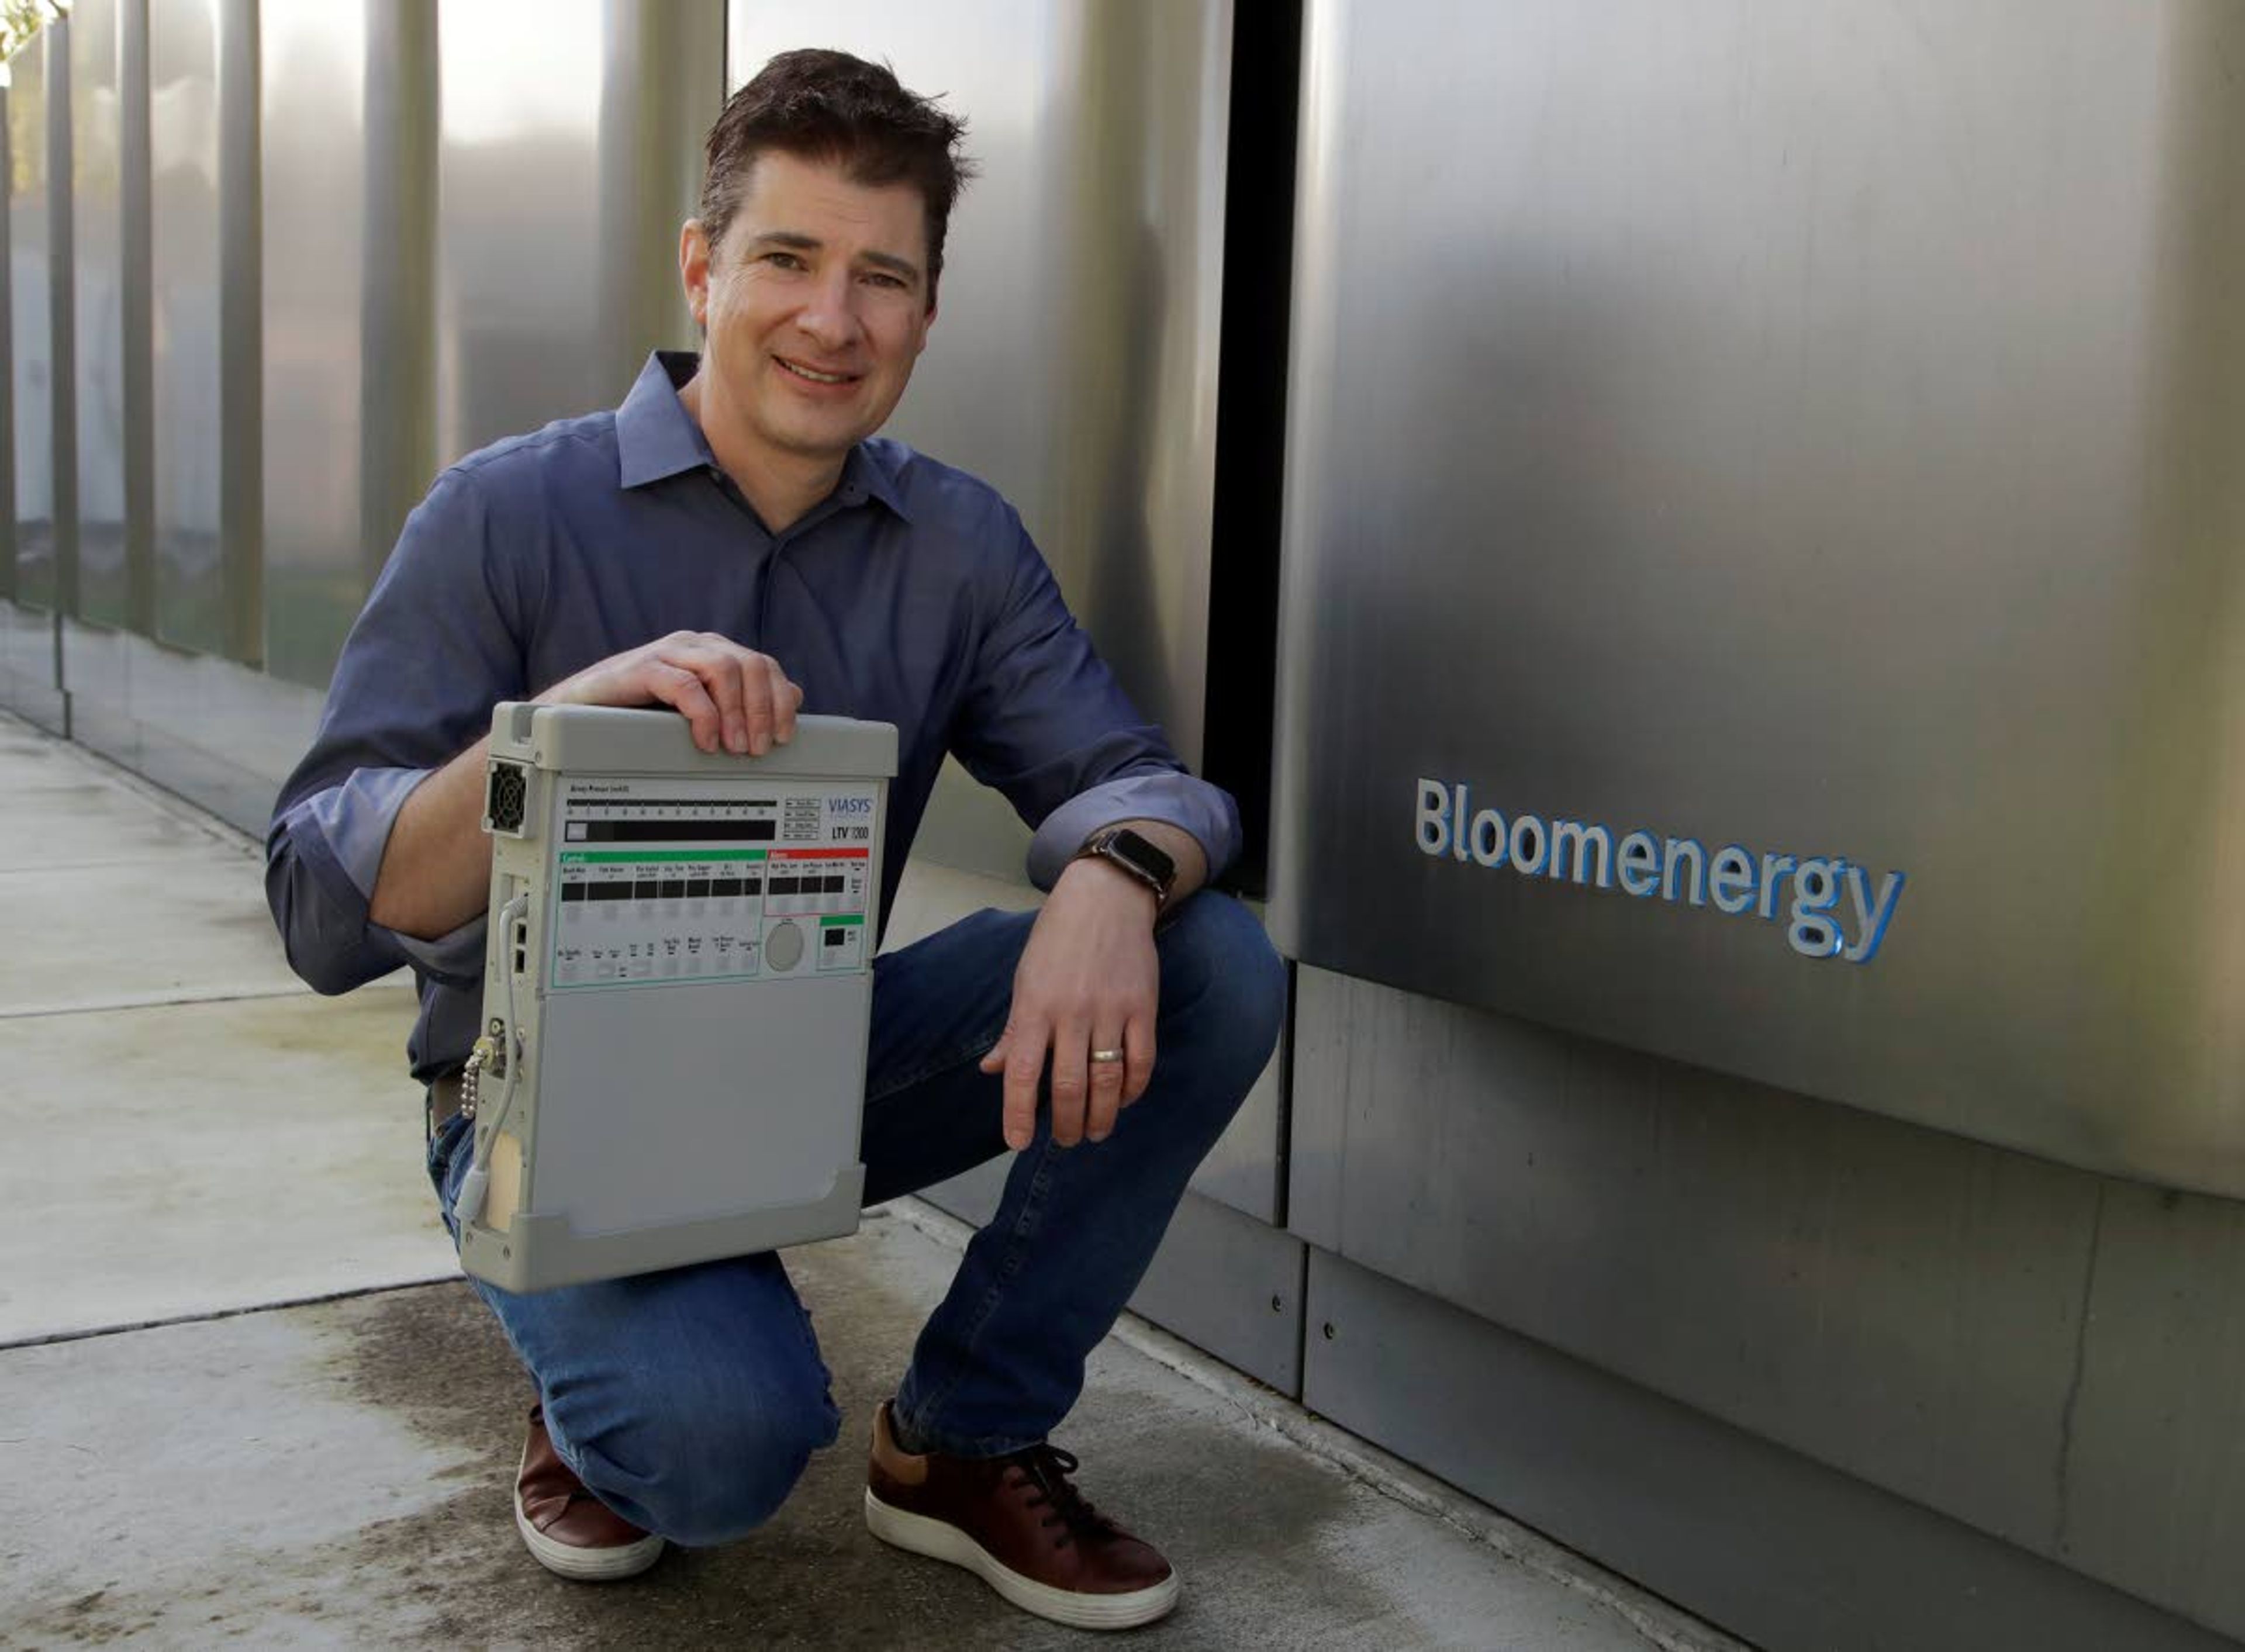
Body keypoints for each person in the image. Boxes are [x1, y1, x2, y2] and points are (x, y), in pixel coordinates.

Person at [264, 47, 1284, 1632]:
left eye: (885, 278)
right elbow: (322, 902)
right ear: (702, 266)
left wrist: (1114, 869)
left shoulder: (955, 545)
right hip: (545, 1098)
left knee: (1206, 955)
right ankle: (597, 1377)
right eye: (791, 261)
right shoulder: (504, 513)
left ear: (928, 312)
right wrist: (560, 733)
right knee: (715, 1446)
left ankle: (964, 1435)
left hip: (806, 1069)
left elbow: (1144, 779)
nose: (835, 320)